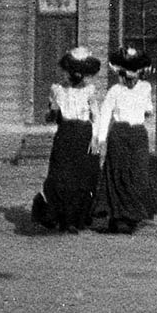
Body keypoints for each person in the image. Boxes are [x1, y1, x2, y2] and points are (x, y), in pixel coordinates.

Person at [91, 47, 157, 234]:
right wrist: (101, 138)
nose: (131, 80)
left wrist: (142, 110)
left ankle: (132, 216)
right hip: (119, 134)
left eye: (134, 75)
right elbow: (105, 113)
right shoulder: (115, 90)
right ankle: (117, 216)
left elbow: (148, 109)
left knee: (138, 173)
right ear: (121, 73)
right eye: (127, 75)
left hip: (138, 135)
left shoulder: (146, 88)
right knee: (118, 174)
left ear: (140, 73)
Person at [31, 47, 103, 233]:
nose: (77, 75)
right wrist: (53, 110)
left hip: (85, 135)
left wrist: (96, 139)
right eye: (74, 70)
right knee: (61, 177)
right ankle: (61, 217)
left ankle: (76, 219)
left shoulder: (90, 90)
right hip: (65, 134)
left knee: (83, 178)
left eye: (82, 71)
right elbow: (50, 117)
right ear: (69, 70)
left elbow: (96, 116)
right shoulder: (57, 90)